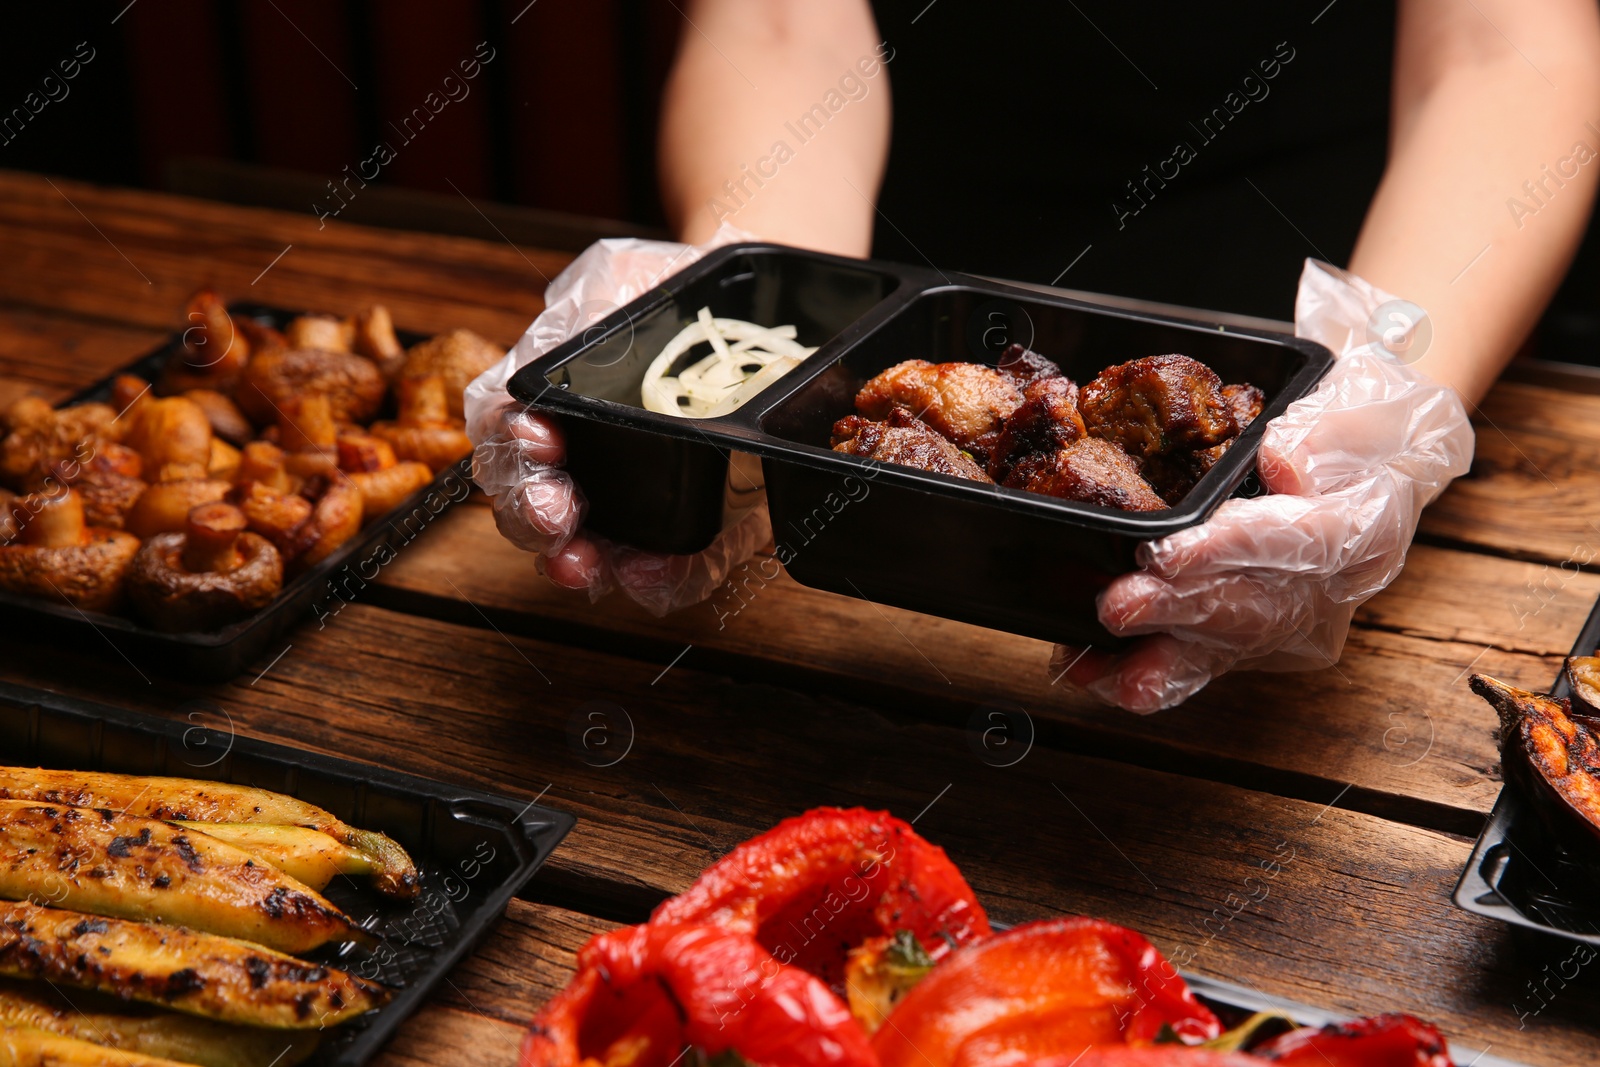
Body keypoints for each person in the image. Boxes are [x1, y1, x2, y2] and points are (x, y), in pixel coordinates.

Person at [468, 0, 1600, 711]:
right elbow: (777, 24)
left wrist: (1381, 407)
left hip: (1365, 264)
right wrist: (744, 310)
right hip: (911, 287)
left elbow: (1508, 46)